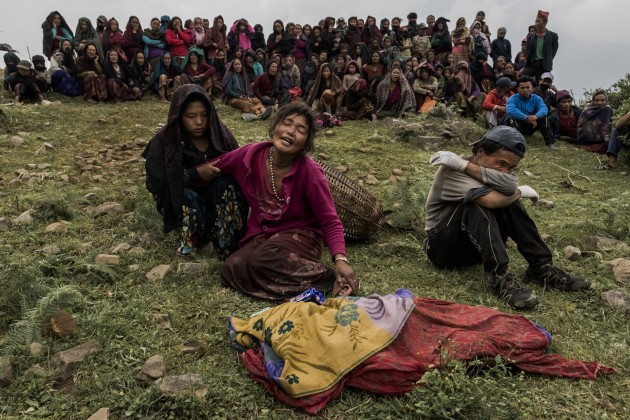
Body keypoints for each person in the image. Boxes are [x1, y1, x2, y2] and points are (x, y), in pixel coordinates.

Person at [425, 126, 590, 310]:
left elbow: (509, 186)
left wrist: (515, 191)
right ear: (480, 151)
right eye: (501, 163)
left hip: (475, 250)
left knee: (510, 201)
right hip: (443, 250)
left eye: (511, 167)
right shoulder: (453, 169)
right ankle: (501, 278)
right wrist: (520, 192)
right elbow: (492, 201)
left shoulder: (490, 172)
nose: (505, 171)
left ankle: (540, 267)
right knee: (480, 202)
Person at [215, 103, 359, 300]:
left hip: (302, 235)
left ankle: (328, 280)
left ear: (305, 142)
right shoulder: (251, 155)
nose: (291, 131)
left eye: (301, 130)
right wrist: (191, 175)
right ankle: (296, 289)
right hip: (264, 235)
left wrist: (340, 259)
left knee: (263, 258)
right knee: (232, 268)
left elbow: (330, 220)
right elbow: (215, 166)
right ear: (275, 127)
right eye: (287, 123)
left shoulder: (310, 172)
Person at [143, 84, 248, 259]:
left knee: (228, 186)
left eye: (204, 115)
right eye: (191, 116)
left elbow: (238, 167)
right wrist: (194, 174)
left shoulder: (220, 135)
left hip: (216, 201)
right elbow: (156, 184)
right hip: (187, 202)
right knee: (185, 196)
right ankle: (191, 240)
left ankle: (225, 241)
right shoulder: (166, 140)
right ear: (179, 115)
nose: (199, 122)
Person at [505, 76, 557, 149]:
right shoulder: (512, 99)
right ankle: (515, 143)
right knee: (512, 118)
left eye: (527, 87)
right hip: (517, 125)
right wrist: (526, 118)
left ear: (532, 88)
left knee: (543, 118)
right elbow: (510, 110)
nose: (525, 90)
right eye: (522, 88)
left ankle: (551, 143)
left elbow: (544, 109)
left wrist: (535, 116)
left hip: (532, 125)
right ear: (517, 89)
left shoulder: (536, 98)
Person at [522, 10, 559, 81]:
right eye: (536, 21)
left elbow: (553, 51)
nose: (536, 23)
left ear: (544, 22)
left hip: (543, 65)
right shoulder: (531, 36)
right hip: (532, 63)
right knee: (523, 79)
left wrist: (548, 59)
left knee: (542, 83)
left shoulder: (553, 36)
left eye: (538, 21)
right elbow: (528, 50)